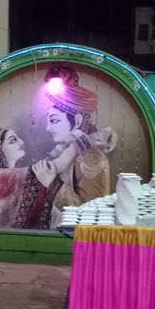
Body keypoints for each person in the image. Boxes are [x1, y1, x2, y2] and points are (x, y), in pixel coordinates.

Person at [29, 67, 117, 226]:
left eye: (54, 120)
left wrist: (51, 182)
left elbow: (90, 213)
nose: (48, 128)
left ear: (76, 121)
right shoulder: (63, 152)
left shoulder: (92, 158)